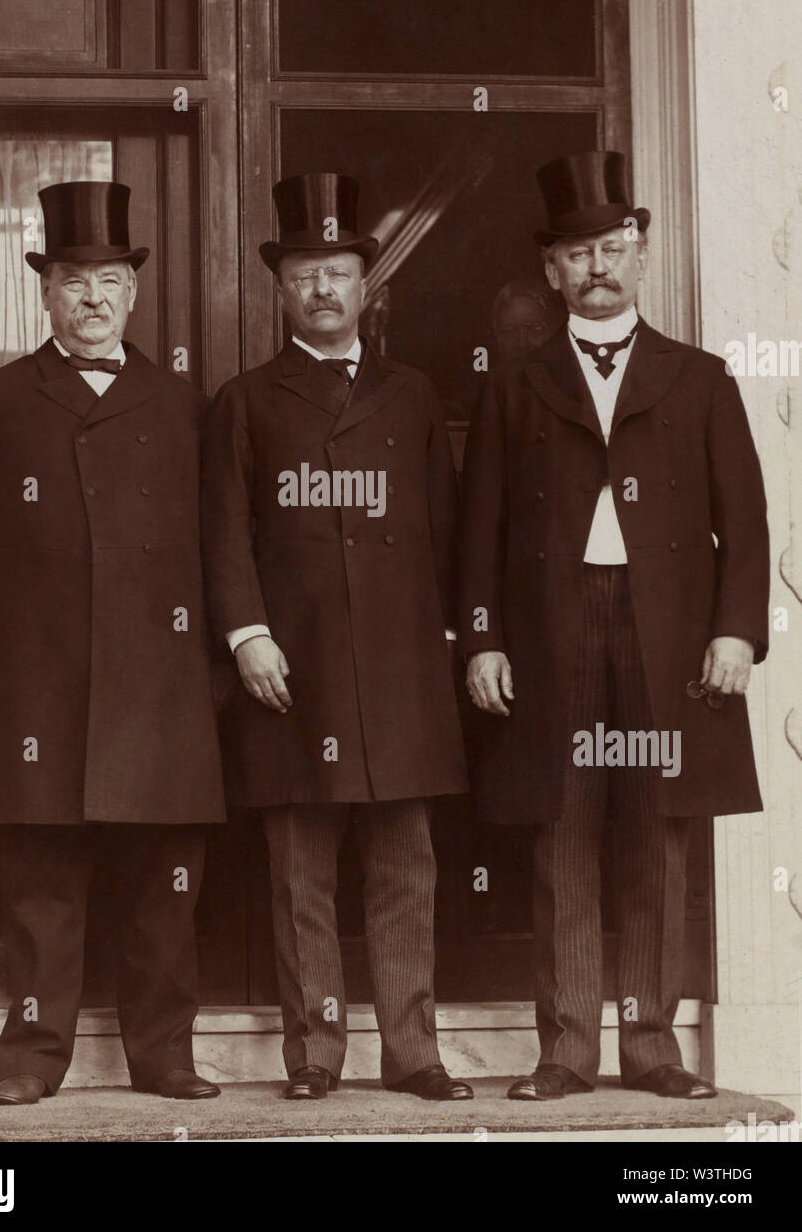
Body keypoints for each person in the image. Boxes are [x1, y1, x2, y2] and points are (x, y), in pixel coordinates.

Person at [458, 151, 769, 1101]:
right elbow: (479, 524)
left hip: (667, 631)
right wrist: (480, 636)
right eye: (575, 253)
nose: (596, 267)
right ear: (550, 272)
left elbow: (746, 523)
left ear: (639, 254)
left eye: (612, 248)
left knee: (656, 830)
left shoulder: (700, 377)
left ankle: (650, 1048)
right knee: (562, 828)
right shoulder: (514, 383)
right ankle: (563, 1051)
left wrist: (735, 631)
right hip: (554, 629)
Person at [0, 181, 226, 1105]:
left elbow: (222, 539)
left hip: (160, 687)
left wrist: (207, 655)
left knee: (164, 887)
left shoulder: (182, 405)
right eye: (74, 280)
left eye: (111, 281)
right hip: (38, 690)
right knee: (41, 887)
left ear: (133, 294)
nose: (93, 298)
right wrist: (17, 619)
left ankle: (164, 1058)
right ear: (45, 292)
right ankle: (32, 1062)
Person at [202, 172, 472, 1101]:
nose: (323, 289)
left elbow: (448, 528)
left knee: (407, 869)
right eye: (306, 272)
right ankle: (314, 1057)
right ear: (281, 289)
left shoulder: (411, 394)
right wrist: (246, 636)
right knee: (298, 877)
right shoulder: (245, 400)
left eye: (340, 272)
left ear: (369, 289)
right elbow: (224, 531)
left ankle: (415, 1054)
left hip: (398, 671)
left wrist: (454, 640)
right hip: (293, 667)